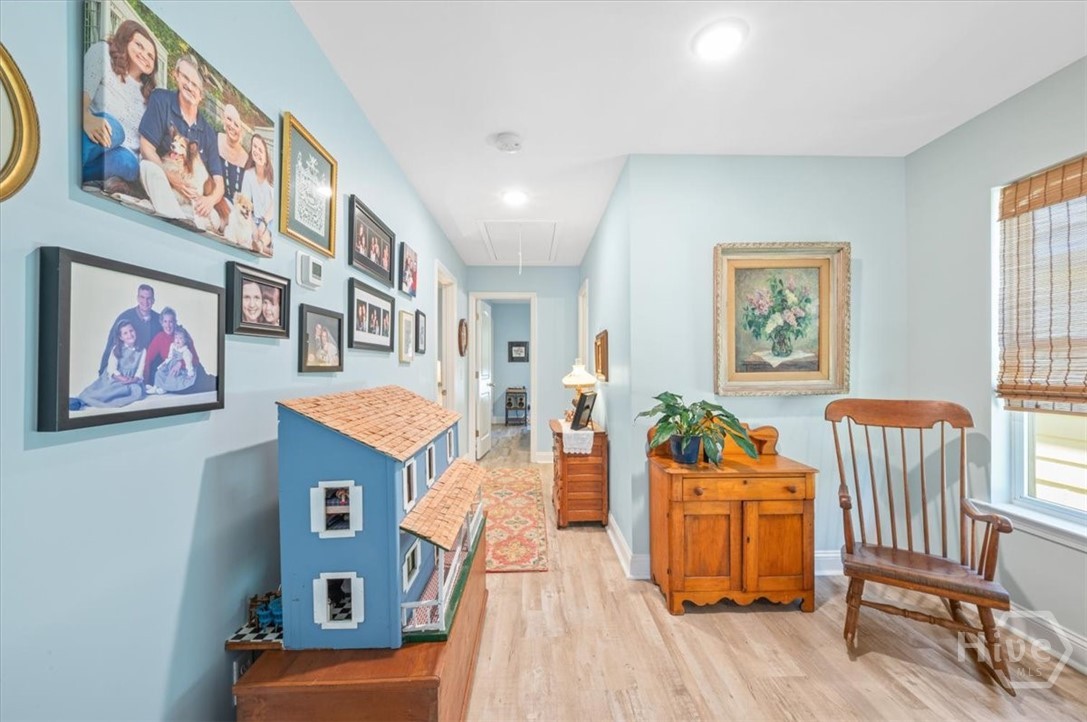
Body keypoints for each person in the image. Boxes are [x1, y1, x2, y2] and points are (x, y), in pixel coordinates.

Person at [138, 54, 225, 231]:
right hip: (164, 181)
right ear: (176, 75)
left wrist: (209, 201)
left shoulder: (208, 132)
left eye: (195, 85)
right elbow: (146, 148)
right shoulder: (161, 99)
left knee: (215, 219)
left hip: (189, 199)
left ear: (201, 95)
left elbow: (219, 184)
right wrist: (172, 178)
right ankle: (176, 220)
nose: (189, 86)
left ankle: (163, 210)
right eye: (185, 78)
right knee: (148, 167)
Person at [82, 19, 158, 189]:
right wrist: (85, 117)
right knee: (115, 129)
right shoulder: (103, 53)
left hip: (118, 158)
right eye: (139, 45)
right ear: (126, 40)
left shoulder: (151, 97)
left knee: (129, 163)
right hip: (93, 134)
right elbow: (81, 93)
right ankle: (68, 162)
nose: (144, 55)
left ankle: (81, 175)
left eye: (151, 56)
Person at [74, 320, 146, 409]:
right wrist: (121, 378)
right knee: (107, 391)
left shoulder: (142, 350)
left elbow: (140, 369)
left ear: (135, 331)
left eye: (131, 331)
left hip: (131, 380)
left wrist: (134, 379)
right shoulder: (117, 349)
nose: (130, 335)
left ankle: (116, 400)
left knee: (136, 391)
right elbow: (112, 368)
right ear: (121, 337)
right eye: (125, 333)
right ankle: (86, 399)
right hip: (116, 378)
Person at [99, 284, 159, 375]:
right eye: (142, 297)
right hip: (123, 371)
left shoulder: (159, 319)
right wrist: (102, 370)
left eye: (149, 298)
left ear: (153, 300)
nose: (145, 301)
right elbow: (111, 344)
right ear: (137, 298)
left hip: (148, 371)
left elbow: (176, 334)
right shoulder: (125, 317)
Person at [143, 307, 202, 386]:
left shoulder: (183, 334)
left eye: (171, 322)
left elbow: (195, 360)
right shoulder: (159, 338)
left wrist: (180, 363)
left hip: (190, 372)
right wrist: (144, 381)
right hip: (174, 375)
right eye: (165, 321)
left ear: (175, 322)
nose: (168, 325)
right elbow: (147, 359)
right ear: (161, 323)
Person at [240, 134, 275, 253]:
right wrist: (254, 229)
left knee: (267, 232)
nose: (257, 151)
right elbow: (245, 204)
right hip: (254, 219)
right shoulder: (248, 175)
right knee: (251, 233)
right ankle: (259, 245)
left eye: (260, 150)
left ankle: (261, 245)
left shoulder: (272, 178)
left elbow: (274, 206)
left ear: (266, 156)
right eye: (254, 147)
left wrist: (264, 223)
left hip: (269, 221)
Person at [217, 104, 249, 205]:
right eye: (229, 119)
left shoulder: (248, 161)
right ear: (223, 120)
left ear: (242, 131)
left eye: (236, 124)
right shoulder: (213, 139)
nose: (232, 126)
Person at [150, 325, 197, 394]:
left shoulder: (186, 351)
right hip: (170, 365)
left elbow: (188, 364)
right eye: (176, 337)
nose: (178, 340)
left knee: (172, 377)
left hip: (180, 370)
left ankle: (164, 388)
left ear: (185, 340)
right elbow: (170, 357)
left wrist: (190, 373)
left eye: (181, 338)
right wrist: (164, 364)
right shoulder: (172, 346)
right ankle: (156, 386)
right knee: (159, 372)